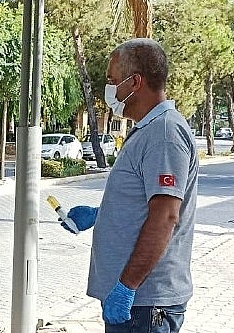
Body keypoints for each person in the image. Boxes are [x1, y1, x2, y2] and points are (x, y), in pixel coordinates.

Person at [62, 38, 198, 333]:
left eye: (113, 80)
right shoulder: (149, 129)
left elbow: (165, 217)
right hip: (137, 303)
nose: (109, 89)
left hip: (144, 303)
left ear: (135, 81)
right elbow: (147, 203)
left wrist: (127, 286)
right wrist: (102, 214)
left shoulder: (164, 134)